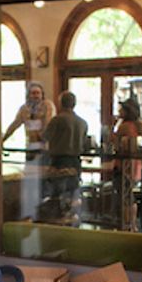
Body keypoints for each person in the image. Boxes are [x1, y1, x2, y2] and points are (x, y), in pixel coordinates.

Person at [41, 90, 88, 221]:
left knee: (57, 194)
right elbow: (85, 144)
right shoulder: (82, 122)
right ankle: (72, 219)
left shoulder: (57, 120)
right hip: (76, 161)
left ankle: (57, 220)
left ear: (60, 103)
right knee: (73, 193)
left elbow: (45, 137)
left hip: (59, 160)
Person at [113, 97, 142, 231]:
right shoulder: (138, 126)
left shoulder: (124, 126)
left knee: (124, 196)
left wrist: (113, 127)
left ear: (127, 111)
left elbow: (115, 145)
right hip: (135, 166)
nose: (119, 111)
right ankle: (133, 224)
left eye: (121, 109)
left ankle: (125, 224)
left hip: (124, 166)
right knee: (130, 196)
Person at [1, 81, 55, 160]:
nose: (36, 96)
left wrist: (42, 138)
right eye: (33, 93)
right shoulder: (24, 108)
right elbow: (15, 124)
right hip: (30, 145)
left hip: (44, 146)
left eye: (38, 93)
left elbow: (48, 124)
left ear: (42, 94)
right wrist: (3, 139)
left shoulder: (47, 106)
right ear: (29, 95)